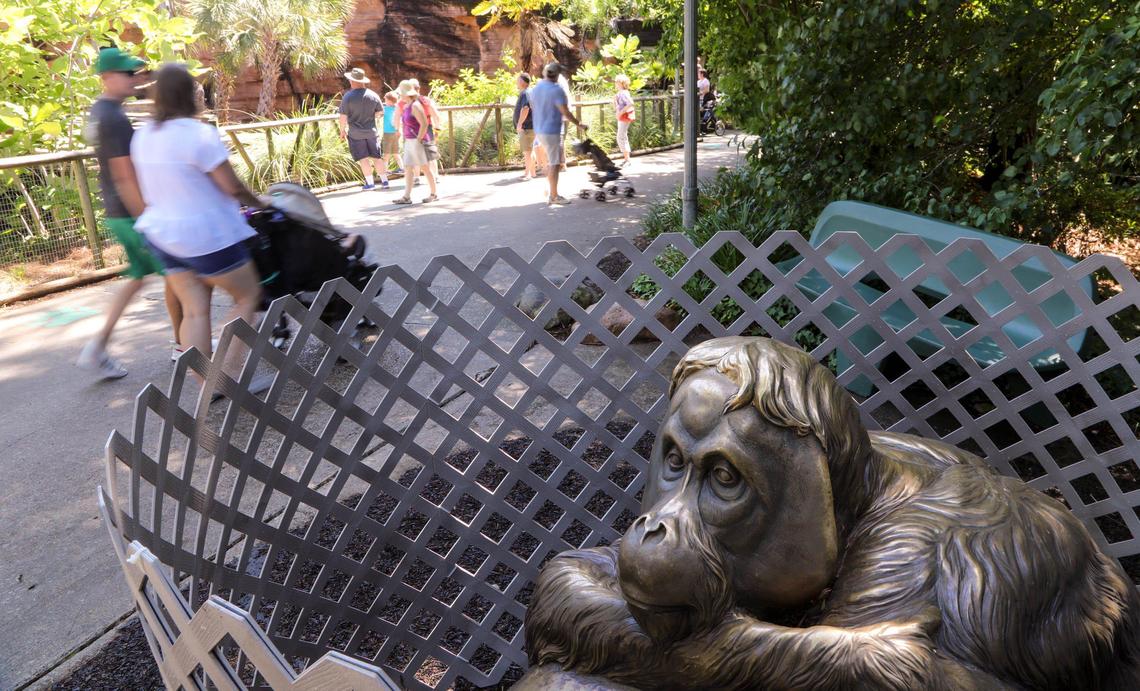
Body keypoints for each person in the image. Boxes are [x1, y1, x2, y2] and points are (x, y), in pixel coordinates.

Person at [130, 64, 264, 370]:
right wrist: (260, 203)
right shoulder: (199, 134)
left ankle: (206, 383)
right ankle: (227, 373)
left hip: (162, 234)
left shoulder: (144, 135)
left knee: (194, 310)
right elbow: (231, 185)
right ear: (192, 94)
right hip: (207, 234)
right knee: (248, 297)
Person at [77, 47, 182, 380]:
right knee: (178, 274)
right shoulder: (114, 118)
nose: (134, 79)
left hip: (118, 211)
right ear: (106, 77)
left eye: (134, 73)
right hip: (130, 212)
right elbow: (123, 174)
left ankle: (99, 346)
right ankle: (183, 347)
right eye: (126, 74)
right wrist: (148, 218)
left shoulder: (101, 111)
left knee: (139, 277)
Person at [528, 63, 586, 206]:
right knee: (555, 164)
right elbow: (565, 112)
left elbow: (533, 106)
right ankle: (554, 196)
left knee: (550, 161)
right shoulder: (557, 90)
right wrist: (579, 123)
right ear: (558, 75)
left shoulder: (537, 88)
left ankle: (549, 189)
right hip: (552, 131)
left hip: (539, 130)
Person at [338, 67, 387, 190]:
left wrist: (342, 131)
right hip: (372, 132)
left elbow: (343, 116)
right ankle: (385, 182)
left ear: (351, 81)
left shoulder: (347, 97)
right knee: (377, 157)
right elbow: (381, 112)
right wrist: (372, 116)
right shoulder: (373, 95)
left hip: (355, 133)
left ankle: (370, 183)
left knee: (363, 158)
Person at [393, 81, 438, 205]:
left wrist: (418, 139)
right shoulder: (407, 105)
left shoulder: (415, 105)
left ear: (406, 94)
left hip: (416, 140)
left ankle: (434, 193)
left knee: (425, 167)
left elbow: (424, 123)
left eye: (401, 93)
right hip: (409, 140)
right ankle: (406, 196)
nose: (399, 95)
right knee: (408, 167)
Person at [514, 73, 535, 180]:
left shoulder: (525, 93)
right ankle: (531, 172)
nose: (516, 82)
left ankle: (528, 175)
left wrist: (519, 123)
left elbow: (525, 108)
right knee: (530, 150)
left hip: (526, 127)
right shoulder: (530, 92)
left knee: (527, 151)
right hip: (531, 126)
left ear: (522, 82)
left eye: (518, 80)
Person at [613, 73, 635, 167]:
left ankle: (627, 160)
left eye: (617, 82)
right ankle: (627, 159)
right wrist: (614, 101)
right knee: (623, 136)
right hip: (622, 117)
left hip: (624, 117)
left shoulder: (623, 93)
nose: (615, 83)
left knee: (620, 137)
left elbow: (630, 103)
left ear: (622, 83)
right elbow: (617, 107)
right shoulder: (620, 93)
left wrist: (620, 113)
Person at [381, 91, 401, 182]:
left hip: (388, 133)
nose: (384, 100)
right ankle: (402, 167)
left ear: (389, 100)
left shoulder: (386, 109)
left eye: (385, 99)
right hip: (395, 133)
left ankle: (384, 171)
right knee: (395, 152)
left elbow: (391, 120)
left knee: (386, 154)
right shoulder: (397, 108)